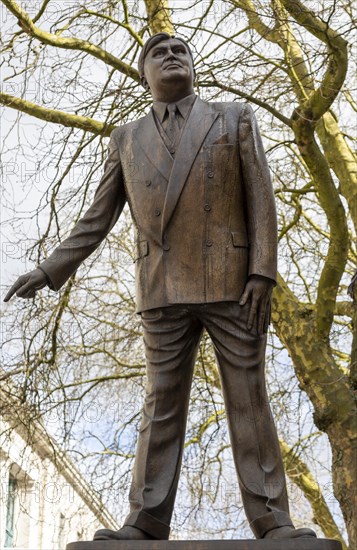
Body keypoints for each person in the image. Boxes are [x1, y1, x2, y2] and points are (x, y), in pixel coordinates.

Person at [4, 33, 317, 541]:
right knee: (161, 402)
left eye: (180, 51)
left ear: (193, 67)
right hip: (162, 287)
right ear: (143, 74)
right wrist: (49, 270)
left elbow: (261, 197)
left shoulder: (233, 117)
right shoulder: (125, 139)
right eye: (158, 53)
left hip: (233, 283)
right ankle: (146, 520)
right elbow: (98, 217)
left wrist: (263, 271)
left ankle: (273, 520)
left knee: (248, 398)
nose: (171, 57)